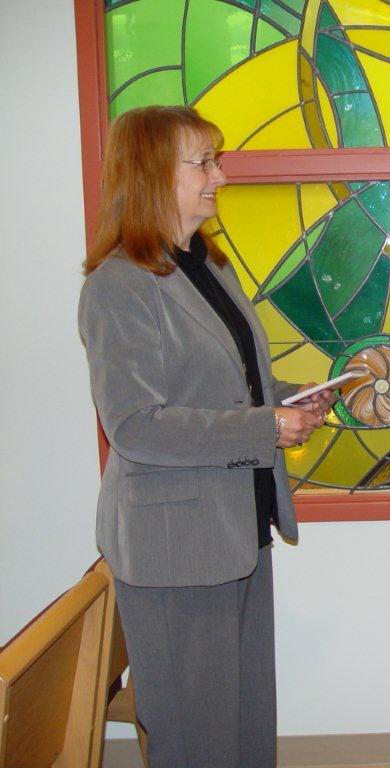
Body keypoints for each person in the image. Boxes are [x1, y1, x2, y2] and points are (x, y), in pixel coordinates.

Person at [78, 105, 334, 767]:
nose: (220, 174)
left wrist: (295, 402)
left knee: (246, 732)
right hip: (176, 549)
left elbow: (230, 390)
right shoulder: (117, 286)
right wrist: (265, 425)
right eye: (203, 161)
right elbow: (135, 426)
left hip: (237, 533)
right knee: (198, 743)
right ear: (152, 174)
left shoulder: (207, 268)